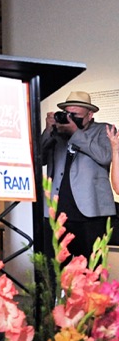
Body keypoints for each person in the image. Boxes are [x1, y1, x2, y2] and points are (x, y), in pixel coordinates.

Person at [41, 91, 115, 260]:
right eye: (68, 114)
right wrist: (48, 130)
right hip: (57, 211)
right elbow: (39, 158)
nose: (71, 118)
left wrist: (75, 133)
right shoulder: (56, 133)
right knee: (54, 268)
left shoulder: (104, 130)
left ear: (90, 114)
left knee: (92, 268)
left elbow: (105, 156)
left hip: (90, 213)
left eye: (76, 115)